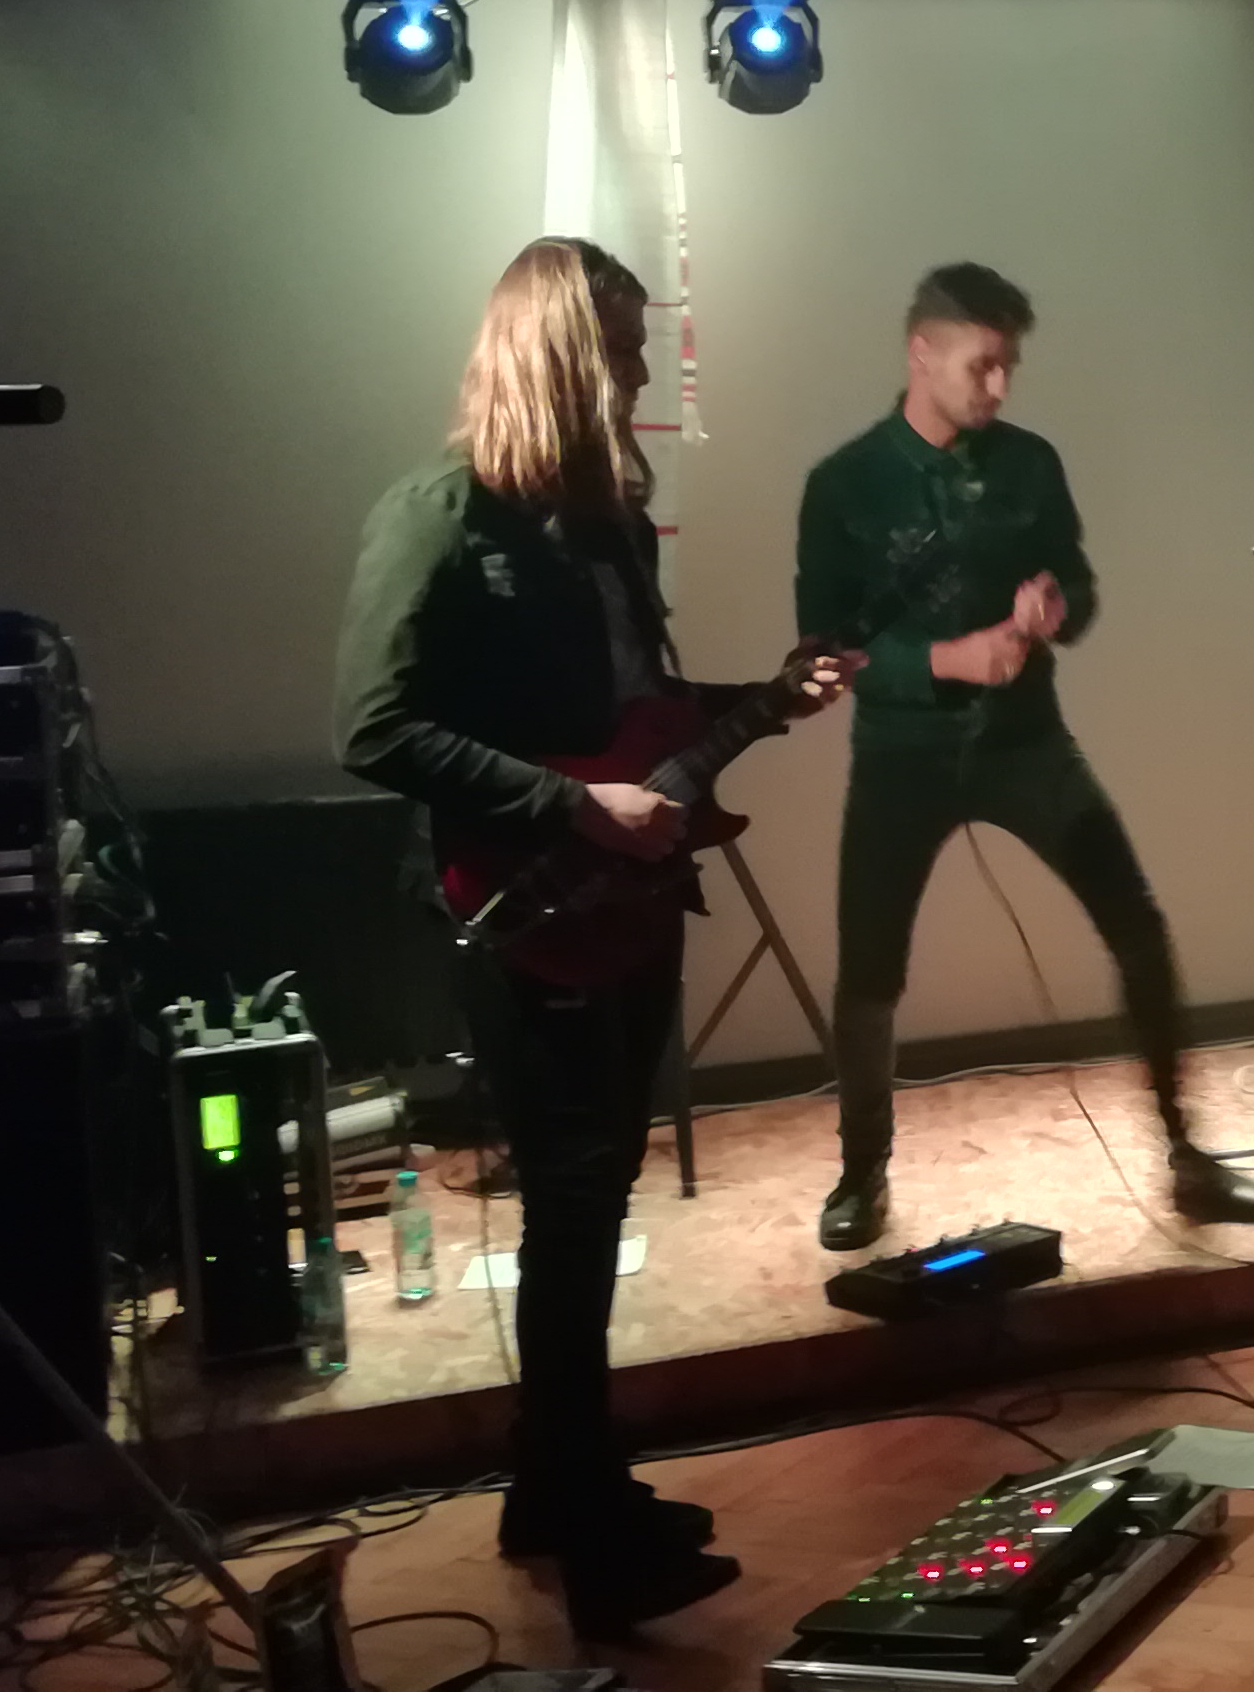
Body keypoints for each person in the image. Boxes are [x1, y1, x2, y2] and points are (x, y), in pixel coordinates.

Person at [333, 238, 855, 1635]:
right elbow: (371, 727)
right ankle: (601, 1553)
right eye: (620, 345)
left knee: (595, 1194)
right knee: (572, 1205)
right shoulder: (437, 513)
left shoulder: (609, 522)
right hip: (524, 902)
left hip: (628, 895)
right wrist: (570, 804)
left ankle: (552, 1492)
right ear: (560, 351)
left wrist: (769, 697)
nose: (637, 371)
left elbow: (642, 713)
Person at [797, 263, 1254, 1251]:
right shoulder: (843, 484)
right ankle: (860, 1173)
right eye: (983, 364)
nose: (999, 385)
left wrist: (1056, 608)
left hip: (1026, 744)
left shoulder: (1029, 463)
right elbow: (822, 655)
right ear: (921, 352)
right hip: (900, 759)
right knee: (870, 971)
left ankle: (1186, 1154)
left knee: (1137, 924)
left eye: (1009, 365)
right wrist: (949, 659)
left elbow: (1081, 588)